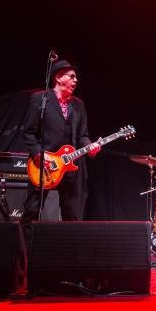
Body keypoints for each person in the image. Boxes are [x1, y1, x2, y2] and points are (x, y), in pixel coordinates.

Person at [21, 59, 100, 226]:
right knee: (32, 211)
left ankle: (68, 250)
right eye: (72, 76)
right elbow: (28, 133)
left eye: (76, 78)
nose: (76, 80)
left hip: (70, 166)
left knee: (72, 214)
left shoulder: (78, 105)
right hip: (44, 166)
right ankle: (23, 251)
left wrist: (90, 146)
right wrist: (38, 155)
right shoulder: (40, 99)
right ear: (58, 78)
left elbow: (82, 136)